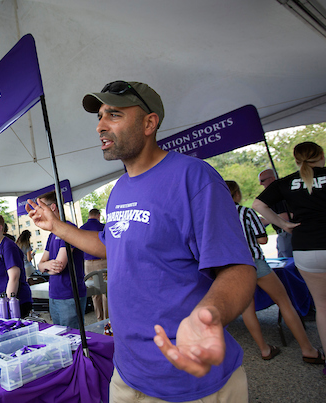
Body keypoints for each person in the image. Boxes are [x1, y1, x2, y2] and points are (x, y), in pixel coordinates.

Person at [26, 81, 256, 402]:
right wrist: (55, 226)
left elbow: (239, 270)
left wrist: (209, 315)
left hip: (188, 381)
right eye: (99, 116)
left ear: (150, 123)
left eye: (114, 115)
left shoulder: (194, 177)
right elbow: (109, 245)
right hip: (127, 374)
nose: (100, 126)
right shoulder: (119, 189)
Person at [226, 180, 322, 363]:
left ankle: (264, 350)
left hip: (234, 268)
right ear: (237, 194)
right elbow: (262, 240)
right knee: (284, 301)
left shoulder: (214, 217)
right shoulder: (246, 212)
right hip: (255, 263)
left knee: (247, 309)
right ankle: (308, 350)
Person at [253, 141, 326, 373]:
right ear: (321, 156)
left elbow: (258, 204)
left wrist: (284, 224)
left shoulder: (286, 183)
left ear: (296, 160)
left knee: (323, 307)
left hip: (305, 248)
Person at [37, 191, 87, 329]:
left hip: (69, 295)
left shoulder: (68, 228)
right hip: (54, 294)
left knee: (71, 339)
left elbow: (58, 267)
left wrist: (45, 266)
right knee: (60, 338)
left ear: (52, 207)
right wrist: (46, 265)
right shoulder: (52, 234)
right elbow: (39, 266)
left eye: (42, 207)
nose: (39, 212)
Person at [0, 213, 32, 317]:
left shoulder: (9, 247)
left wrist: (6, 305)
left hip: (16, 302)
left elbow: (14, 277)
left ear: (0, 228)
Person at [80, 208, 109, 321]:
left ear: (89, 215)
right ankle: (107, 318)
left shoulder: (81, 229)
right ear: (99, 215)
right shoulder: (103, 227)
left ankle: (99, 318)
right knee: (105, 290)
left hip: (87, 263)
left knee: (94, 292)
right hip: (103, 261)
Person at [257, 169, 293, 257]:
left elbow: (287, 215)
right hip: (282, 233)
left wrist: (266, 220)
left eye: (263, 181)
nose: (261, 184)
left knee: (287, 261)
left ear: (272, 178)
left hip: (287, 233)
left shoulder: (280, 194)